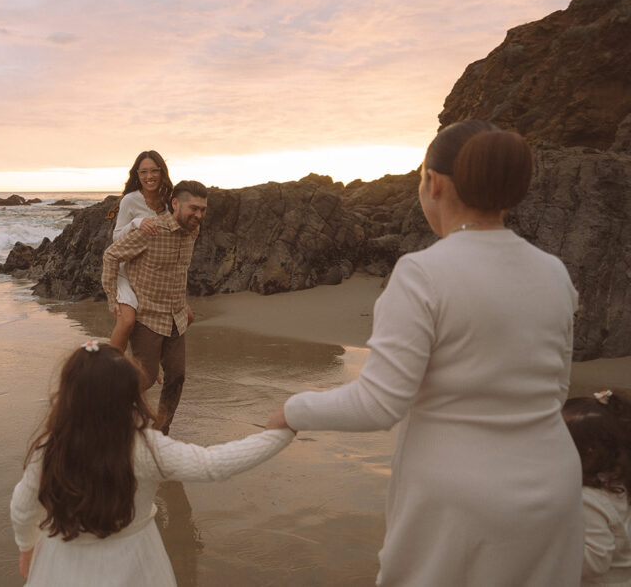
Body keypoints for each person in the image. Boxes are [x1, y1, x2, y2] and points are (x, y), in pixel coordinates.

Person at [268, 120, 583, 585]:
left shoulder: (422, 273)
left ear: (433, 184)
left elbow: (378, 404)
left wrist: (292, 410)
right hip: (553, 487)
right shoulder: (554, 272)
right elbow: (556, 390)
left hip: (460, 499)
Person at [11, 341, 293, 586]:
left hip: (63, 562)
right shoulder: (146, 448)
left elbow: (22, 508)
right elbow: (213, 464)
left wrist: (26, 547)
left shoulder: (49, 449)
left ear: (69, 396)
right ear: (128, 396)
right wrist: (279, 435)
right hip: (134, 562)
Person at [101, 180, 207, 435]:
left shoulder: (193, 232)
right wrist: (112, 298)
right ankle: (106, 409)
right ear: (175, 204)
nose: (199, 215)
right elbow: (112, 255)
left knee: (177, 376)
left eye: (203, 209)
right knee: (145, 378)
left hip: (176, 316)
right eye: (193, 208)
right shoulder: (153, 231)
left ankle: (160, 431)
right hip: (148, 315)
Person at [106, 150, 175, 353]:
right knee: (127, 321)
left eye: (154, 170)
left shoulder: (169, 200)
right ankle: (111, 370)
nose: (149, 176)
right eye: (143, 172)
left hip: (154, 272)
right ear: (137, 174)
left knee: (185, 317)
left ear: (162, 172)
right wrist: (136, 223)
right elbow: (115, 239)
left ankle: (151, 358)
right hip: (126, 271)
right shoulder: (130, 200)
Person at [563, 389, 631, 586]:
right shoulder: (615, 480)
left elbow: (594, 561)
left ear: (585, 452)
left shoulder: (588, 499)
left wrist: (550, 555)